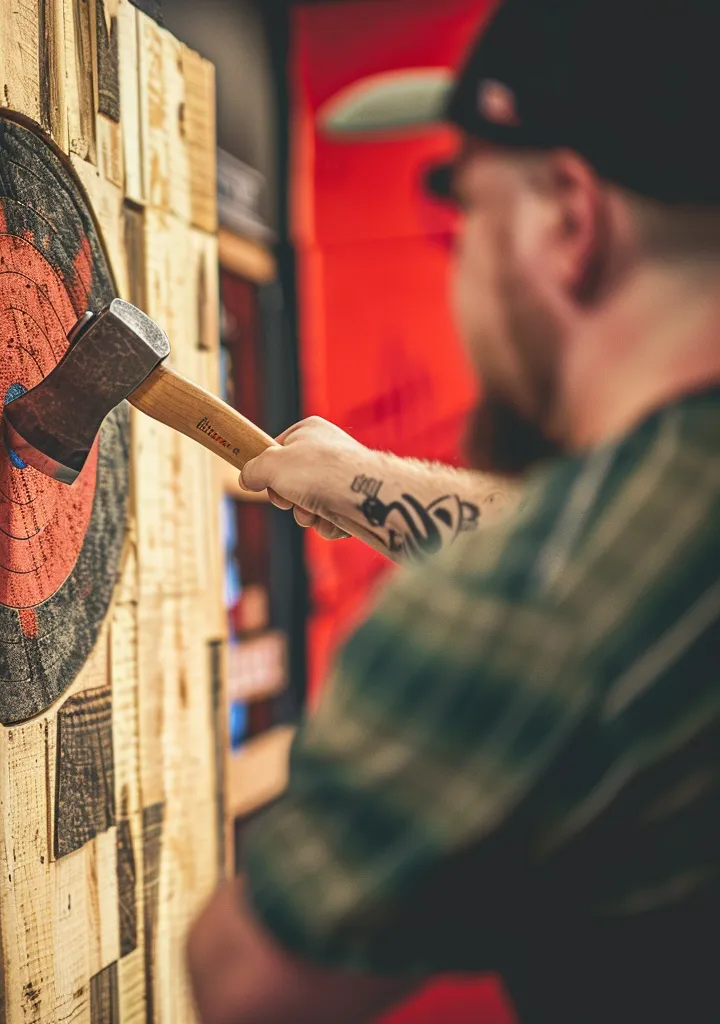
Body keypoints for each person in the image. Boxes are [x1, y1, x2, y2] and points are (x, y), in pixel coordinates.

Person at [186, 0, 720, 1021]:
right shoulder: (637, 550)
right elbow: (618, 547)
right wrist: (356, 480)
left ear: (569, 220)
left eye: (459, 198)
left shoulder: (534, 612)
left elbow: (249, 983)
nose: (459, 251)